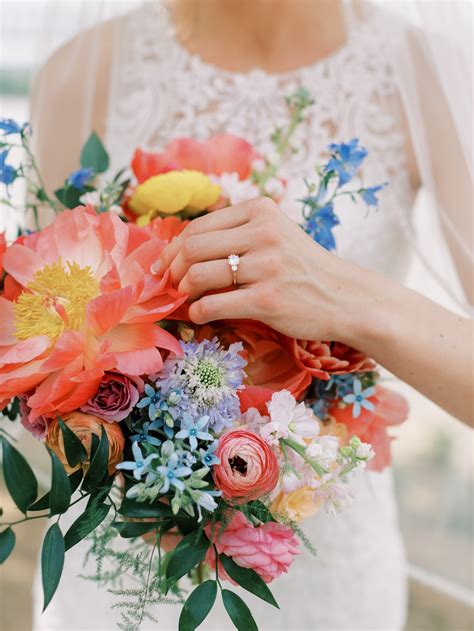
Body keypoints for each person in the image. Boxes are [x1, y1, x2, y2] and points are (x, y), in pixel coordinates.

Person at [30, 1, 472, 629]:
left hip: (324, 577)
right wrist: (151, 462)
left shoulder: (422, 73)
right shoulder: (83, 70)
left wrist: (346, 297)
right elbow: (34, 364)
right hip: (116, 580)